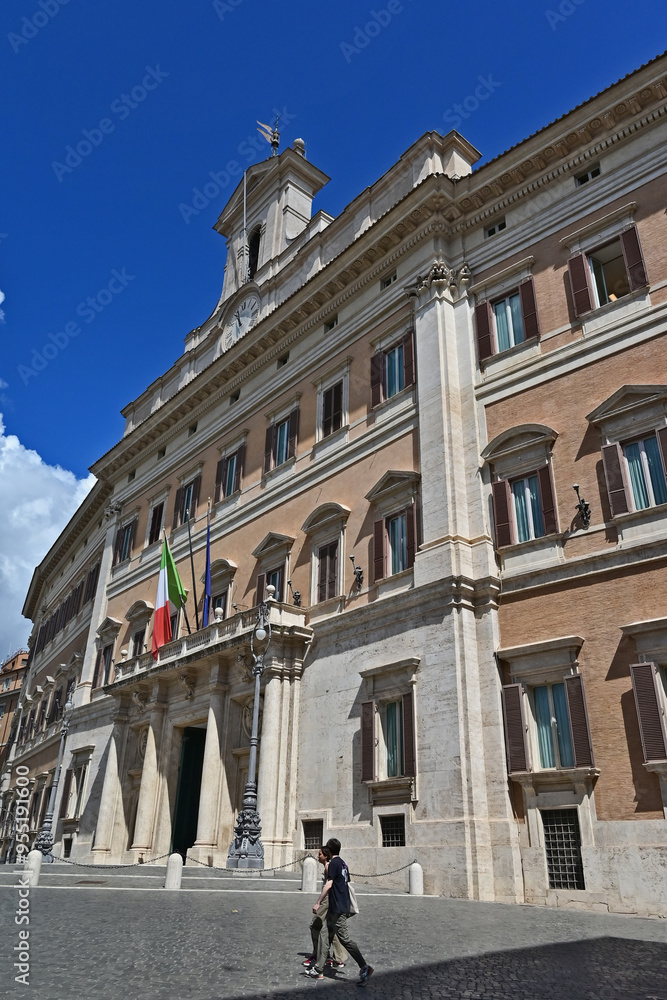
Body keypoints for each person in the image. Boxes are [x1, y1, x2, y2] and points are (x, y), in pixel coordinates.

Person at [306, 837, 373, 985]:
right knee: (326, 936)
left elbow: (329, 884)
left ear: (328, 851)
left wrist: (318, 902)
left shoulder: (334, 864)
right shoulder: (343, 863)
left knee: (345, 939)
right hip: (337, 907)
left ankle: (365, 967)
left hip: (337, 908)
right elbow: (344, 884)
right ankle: (318, 970)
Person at [302, 845, 347, 970]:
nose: (318, 856)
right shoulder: (330, 866)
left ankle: (318, 954)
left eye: (320, 854)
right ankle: (338, 958)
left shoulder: (328, 867)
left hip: (327, 901)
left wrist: (318, 902)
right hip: (331, 900)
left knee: (315, 925)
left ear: (326, 855)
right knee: (332, 929)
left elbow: (329, 886)